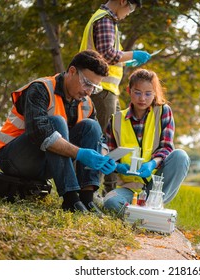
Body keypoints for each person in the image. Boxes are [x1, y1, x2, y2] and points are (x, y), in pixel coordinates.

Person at [0, 50, 116, 213]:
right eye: (86, 83)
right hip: (14, 159)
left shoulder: (86, 102)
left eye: (93, 88)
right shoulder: (41, 89)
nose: (88, 91)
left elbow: (97, 139)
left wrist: (102, 156)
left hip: (46, 165)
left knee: (91, 126)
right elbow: (40, 133)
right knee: (56, 122)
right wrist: (80, 153)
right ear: (72, 71)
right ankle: (70, 200)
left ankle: (86, 200)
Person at [79, 0, 151, 194]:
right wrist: (133, 53)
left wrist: (126, 63)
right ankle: (91, 191)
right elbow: (107, 55)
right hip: (101, 90)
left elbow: (104, 57)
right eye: (130, 8)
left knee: (113, 141)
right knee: (104, 141)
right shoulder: (105, 20)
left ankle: (109, 191)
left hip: (107, 90)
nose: (129, 13)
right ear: (122, 1)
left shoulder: (104, 19)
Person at [103, 69, 190, 214]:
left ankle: (148, 207)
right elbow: (110, 156)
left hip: (156, 186)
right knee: (111, 202)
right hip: (128, 187)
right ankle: (147, 212)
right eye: (137, 92)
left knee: (181, 156)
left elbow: (167, 147)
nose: (142, 98)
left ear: (155, 93)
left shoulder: (163, 111)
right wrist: (118, 167)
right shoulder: (116, 120)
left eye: (148, 93)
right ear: (129, 91)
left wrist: (152, 163)